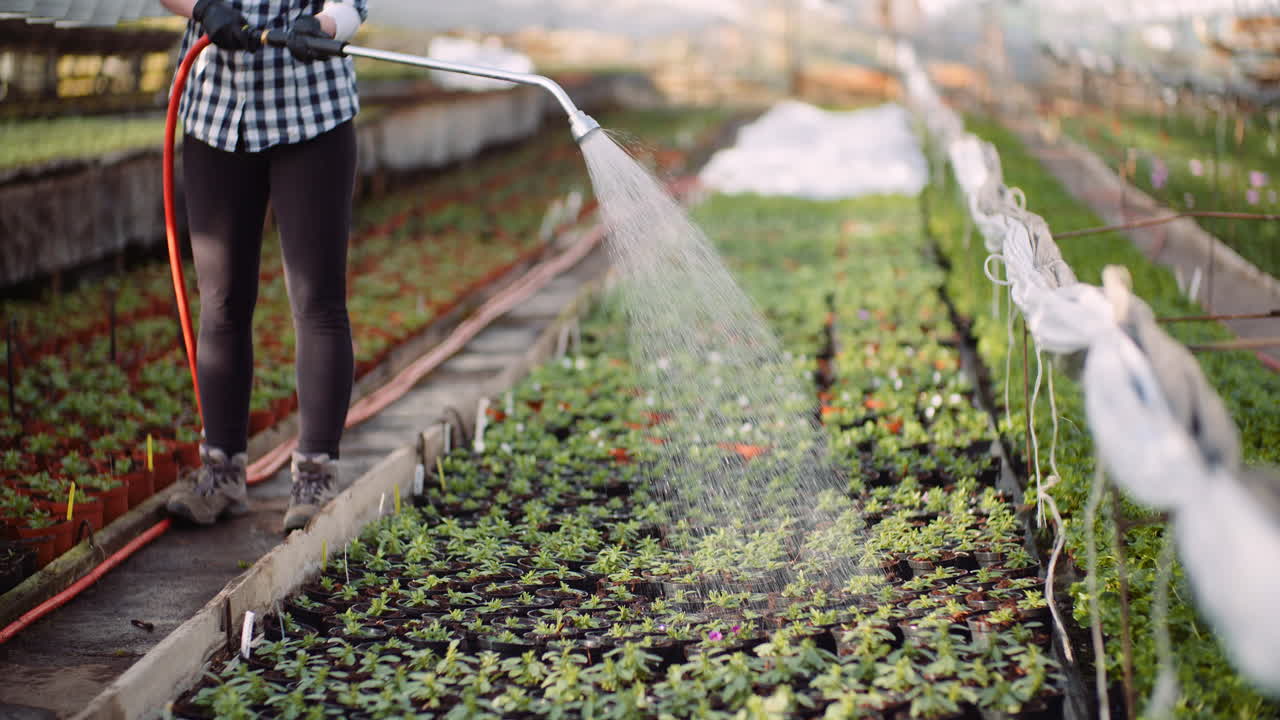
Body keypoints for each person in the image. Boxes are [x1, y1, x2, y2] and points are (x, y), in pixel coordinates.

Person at [158, 0, 368, 532]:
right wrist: (204, 8)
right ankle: (222, 472)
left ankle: (315, 474)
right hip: (214, 113)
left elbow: (352, 5)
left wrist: (318, 27)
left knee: (316, 299)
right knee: (222, 301)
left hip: (311, 112)